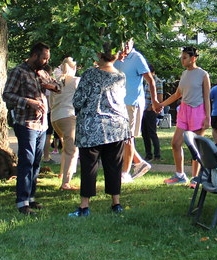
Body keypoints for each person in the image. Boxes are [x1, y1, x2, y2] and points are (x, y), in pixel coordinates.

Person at [70, 42, 131, 216]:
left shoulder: (90, 74)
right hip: (116, 126)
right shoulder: (120, 76)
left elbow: (78, 100)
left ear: (99, 54)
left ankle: (84, 206)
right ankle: (116, 203)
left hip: (92, 126)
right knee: (114, 166)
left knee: (89, 166)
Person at [2, 41, 60, 215]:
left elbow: (59, 86)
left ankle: (31, 198)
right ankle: (22, 202)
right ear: (34, 55)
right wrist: (28, 102)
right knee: (26, 161)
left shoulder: (43, 72)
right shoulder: (18, 72)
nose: (46, 61)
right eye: (44, 58)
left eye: (47, 58)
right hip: (25, 122)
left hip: (42, 124)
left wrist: (51, 86)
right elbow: (7, 95)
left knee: (36, 162)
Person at [157, 46, 211, 186]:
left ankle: (195, 178)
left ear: (193, 58)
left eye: (185, 57)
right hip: (184, 111)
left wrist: (208, 117)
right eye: (181, 57)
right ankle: (180, 175)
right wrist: (161, 104)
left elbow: (207, 97)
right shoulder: (184, 74)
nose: (182, 60)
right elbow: (177, 94)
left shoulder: (203, 74)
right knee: (175, 143)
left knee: (195, 147)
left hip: (198, 112)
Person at [114, 39, 159, 183]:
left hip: (132, 103)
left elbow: (150, 80)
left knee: (128, 137)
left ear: (133, 43)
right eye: (123, 42)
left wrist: (154, 100)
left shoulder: (137, 58)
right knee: (121, 138)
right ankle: (139, 162)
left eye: (129, 42)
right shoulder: (116, 57)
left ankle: (125, 173)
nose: (126, 45)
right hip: (117, 103)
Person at [50, 57, 80, 190]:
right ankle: (66, 183)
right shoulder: (76, 81)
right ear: (74, 68)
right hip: (68, 116)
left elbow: (51, 103)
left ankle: (62, 173)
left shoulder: (56, 82)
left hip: (55, 118)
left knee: (65, 147)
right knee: (72, 150)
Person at [140, 67, 163, 161]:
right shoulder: (146, 81)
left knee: (152, 133)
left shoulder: (158, 82)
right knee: (144, 134)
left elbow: (160, 98)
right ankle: (148, 154)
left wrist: (151, 107)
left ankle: (157, 155)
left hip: (151, 110)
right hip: (143, 110)